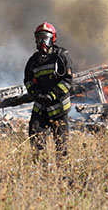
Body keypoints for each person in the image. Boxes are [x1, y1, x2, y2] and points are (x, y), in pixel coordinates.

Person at [23, 21, 72, 160]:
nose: (43, 42)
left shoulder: (61, 57)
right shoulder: (33, 61)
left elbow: (67, 81)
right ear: (36, 40)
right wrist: (36, 93)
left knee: (61, 144)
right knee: (35, 138)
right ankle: (41, 171)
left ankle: (62, 175)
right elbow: (27, 81)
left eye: (46, 38)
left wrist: (52, 95)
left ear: (53, 39)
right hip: (41, 108)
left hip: (59, 108)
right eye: (40, 38)